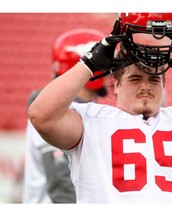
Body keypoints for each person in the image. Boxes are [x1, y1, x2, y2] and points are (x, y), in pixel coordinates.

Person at [28, 13, 172, 203]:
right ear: (116, 84)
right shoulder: (90, 119)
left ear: (163, 85)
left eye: (154, 80)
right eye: (134, 79)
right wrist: (89, 64)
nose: (145, 87)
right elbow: (41, 116)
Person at [22, 28, 107, 203]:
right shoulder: (57, 113)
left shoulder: (74, 109)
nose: (109, 74)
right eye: (105, 65)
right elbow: (62, 183)